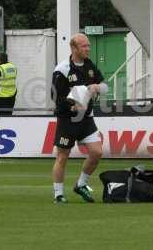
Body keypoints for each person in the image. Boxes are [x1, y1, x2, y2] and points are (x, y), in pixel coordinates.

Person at [51, 33, 108, 204]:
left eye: (88, 45)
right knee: (62, 156)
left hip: (86, 118)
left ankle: (81, 184)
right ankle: (58, 194)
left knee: (97, 152)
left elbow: (105, 86)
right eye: (84, 46)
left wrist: (98, 86)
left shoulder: (90, 65)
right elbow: (55, 98)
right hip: (67, 120)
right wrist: (72, 106)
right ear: (74, 48)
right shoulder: (62, 69)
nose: (88, 49)